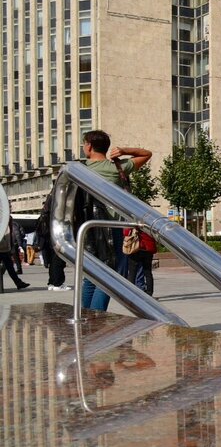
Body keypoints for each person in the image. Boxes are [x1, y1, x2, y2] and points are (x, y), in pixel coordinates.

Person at [80, 130, 152, 311]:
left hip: (86, 229)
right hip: (111, 227)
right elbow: (146, 154)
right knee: (110, 276)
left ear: (89, 146)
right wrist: (124, 150)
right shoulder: (115, 168)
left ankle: (86, 317)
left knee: (90, 276)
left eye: (84, 144)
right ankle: (96, 318)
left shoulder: (80, 169)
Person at [36, 194, 68, 291]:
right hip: (56, 236)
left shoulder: (45, 212)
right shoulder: (55, 211)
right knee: (58, 260)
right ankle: (58, 283)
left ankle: (52, 282)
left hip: (48, 238)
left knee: (52, 262)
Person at [0, 220, 29, 292]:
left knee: (10, 267)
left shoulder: (9, 224)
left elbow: (12, 236)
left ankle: (18, 283)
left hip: (5, 249)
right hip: (3, 248)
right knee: (9, 267)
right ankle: (18, 283)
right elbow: (16, 234)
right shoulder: (6, 223)